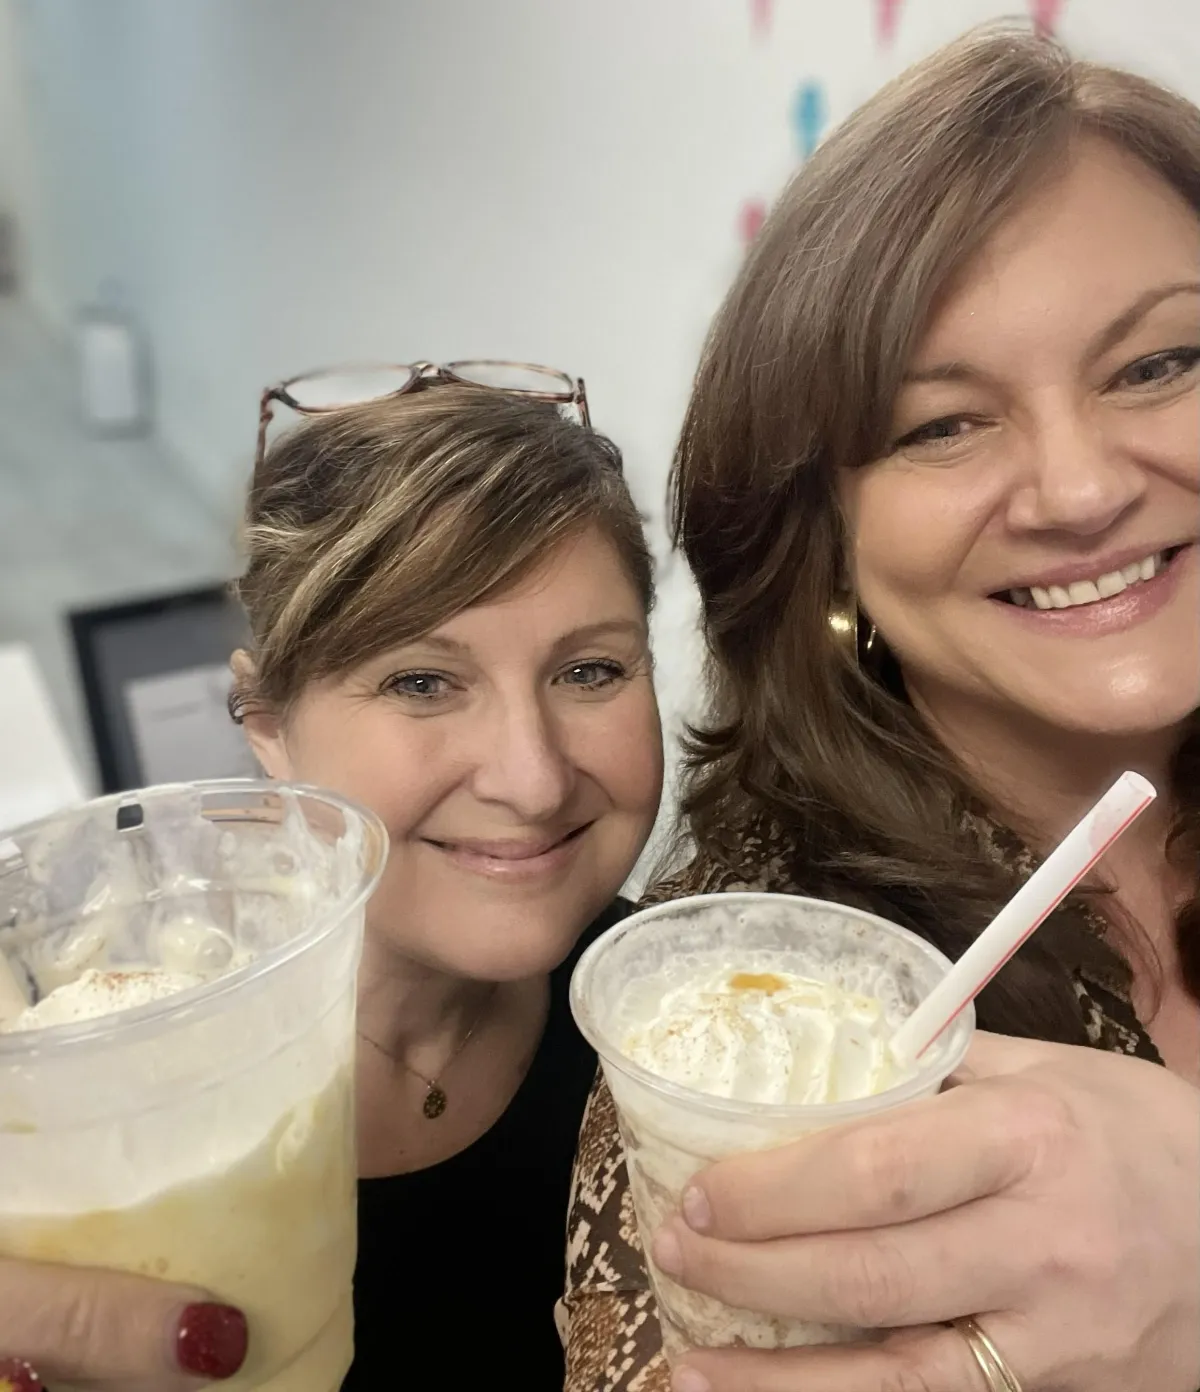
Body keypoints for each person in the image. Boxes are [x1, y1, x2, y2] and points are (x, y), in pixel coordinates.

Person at [561, 26, 1200, 1392]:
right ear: (825, 541)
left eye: (1158, 364)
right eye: (941, 425)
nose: (1081, 488)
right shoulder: (759, 1019)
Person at [0, 369, 664, 1392]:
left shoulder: (689, 1031)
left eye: (589, 671)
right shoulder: (88, 1099)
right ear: (268, 725)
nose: (532, 781)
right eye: (421, 682)